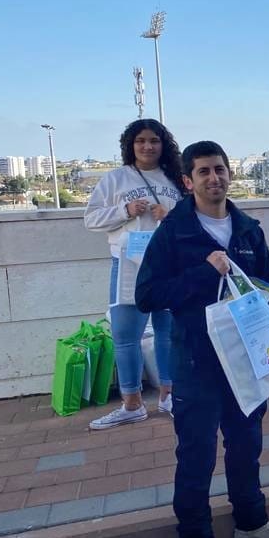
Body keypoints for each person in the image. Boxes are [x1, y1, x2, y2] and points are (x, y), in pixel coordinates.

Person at [135, 141, 269, 538]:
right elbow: (147, 295)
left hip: (246, 360)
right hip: (197, 361)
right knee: (197, 454)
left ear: (230, 174)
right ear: (187, 181)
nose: (214, 178)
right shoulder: (174, 233)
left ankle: (251, 525)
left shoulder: (249, 230)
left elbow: (266, 291)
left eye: (220, 169)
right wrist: (204, 274)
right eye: (204, 171)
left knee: (247, 445)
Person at [84, 119, 184, 429]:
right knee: (126, 336)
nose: (147, 146)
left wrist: (171, 216)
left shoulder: (175, 178)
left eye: (154, 140)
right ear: (130, 144)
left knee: (168, 333)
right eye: (140, 140)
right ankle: (132, 403)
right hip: (128, 264)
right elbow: (91, 219)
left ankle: (169, 396)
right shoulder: (115, 179)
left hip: (169, 265)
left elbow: (194, 218)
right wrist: (125, 211)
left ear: (163, 144)